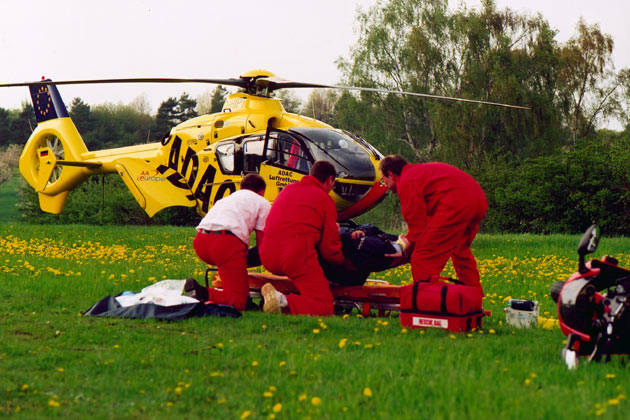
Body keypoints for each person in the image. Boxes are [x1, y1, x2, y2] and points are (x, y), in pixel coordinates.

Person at [379, 155, 487, 290]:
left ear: (390, 174)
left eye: (384, 181)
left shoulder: (407, 180)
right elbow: (426, 226)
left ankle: (428, 304)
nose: (386, 187)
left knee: (422, 258)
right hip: (478, 201)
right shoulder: (420, 173)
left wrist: (405, 252)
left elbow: (417, 227)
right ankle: (473, 298)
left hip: (456, 204)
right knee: (460, 251)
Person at [259, 160, 348, 316]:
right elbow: (329, 249)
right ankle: (281, 300)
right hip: (295, 256)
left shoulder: (287, 189)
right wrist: (344, 263)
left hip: (267, 254)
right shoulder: (325, 200)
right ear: (329, 180)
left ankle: (276, 302)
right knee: (324, 305)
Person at [191, 173, 270, 310]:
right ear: (262, 191)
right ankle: (202, 292)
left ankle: (247, 301)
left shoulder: (226, 200)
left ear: (241, 187)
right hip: (225, 244)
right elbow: (262, 243)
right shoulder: (261, 201)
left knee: (237, 286)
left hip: (201, 241)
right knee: (238, 302)